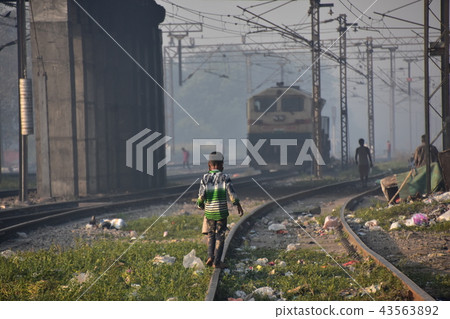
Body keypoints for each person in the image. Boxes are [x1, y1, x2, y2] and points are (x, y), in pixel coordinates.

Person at [197, 151, 243, 269]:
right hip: (221, 211)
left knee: (211, 234)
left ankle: (210, 256)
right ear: (222, 165)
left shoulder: (205, 178)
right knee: (220, 235)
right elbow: (231, 192)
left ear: (209, 165)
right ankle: (217, 262)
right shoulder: (225, 177)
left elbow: (201, 195)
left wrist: (200, 205)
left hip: (210, 212)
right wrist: (237, 204)